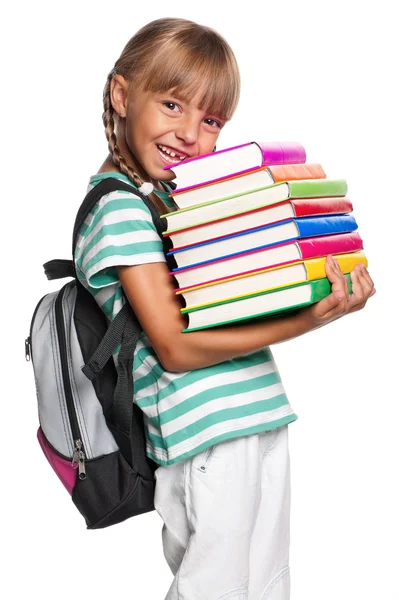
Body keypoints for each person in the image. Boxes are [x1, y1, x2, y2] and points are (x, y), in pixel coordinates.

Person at [74, 17, 375, 600]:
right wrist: (307, 319)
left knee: (264, 588)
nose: (190, 133)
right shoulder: (117, 208)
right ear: (121, 94)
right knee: (214, 590)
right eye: (171, 104)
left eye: (210, 120)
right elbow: (176, 348)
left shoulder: (169, 200)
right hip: (204, 434)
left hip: (253, 418)